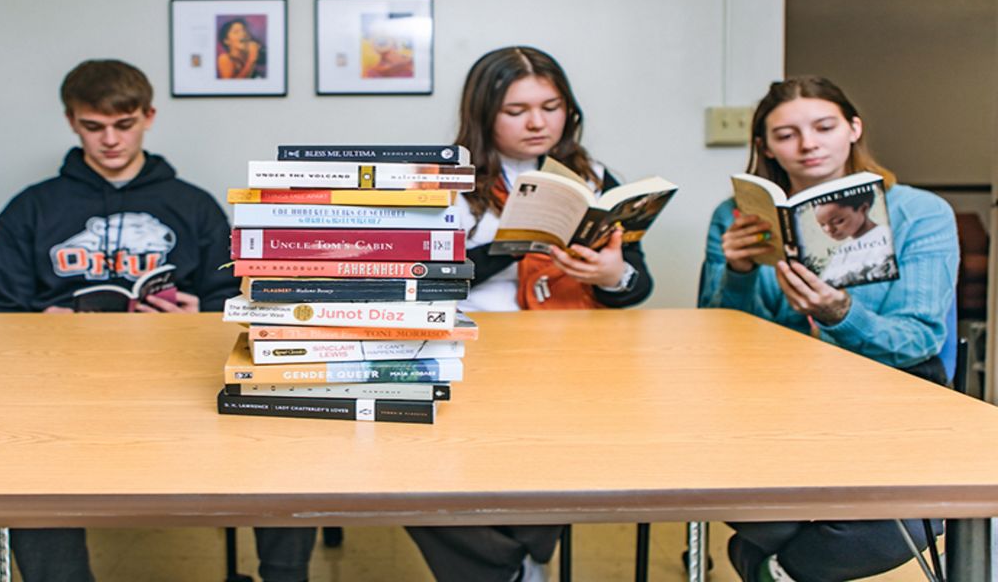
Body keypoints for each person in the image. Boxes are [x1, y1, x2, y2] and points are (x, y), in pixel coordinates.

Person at [0, 59, 312, 582]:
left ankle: (285, 575)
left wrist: (198, 309)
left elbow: (236, 302)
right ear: (71, 122)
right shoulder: (31, 209)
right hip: (62, 383)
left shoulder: (193, 206)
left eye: (123, 124)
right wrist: (44, 319)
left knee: (284, 410)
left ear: (149, 116)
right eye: (93, 127)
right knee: (23, 453)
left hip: (175, 372)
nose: (110, 140)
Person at [407, 46, 654, 582]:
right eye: (516, 111)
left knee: (558, 459)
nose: (539, 123)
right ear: (483, 113)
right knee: (409, 468)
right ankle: (509, 565)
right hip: (466, 354)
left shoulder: (593, 176)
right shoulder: (438, 180)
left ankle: (512, 560)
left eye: (552, 105)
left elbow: (636, 284)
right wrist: (513, 245)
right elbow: (410, 284)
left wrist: (610, 276)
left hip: (571, 358)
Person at [700, 76, 958, 582]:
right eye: (786, 134)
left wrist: (842, 312)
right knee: (751, 498)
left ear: (853, 128)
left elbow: (920, 338)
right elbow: (715, 341)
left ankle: (770, 570)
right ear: (766, 147)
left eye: (824, 127)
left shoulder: (920, 213)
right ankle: (778, 563)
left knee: (903, 522)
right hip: (771, 405)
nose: (808, 144)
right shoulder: (734, 218)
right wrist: (738, 273)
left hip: (894, 397)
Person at [812, 190, 896, 287]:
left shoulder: (887, 236)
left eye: (838, 221)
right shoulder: (842, 251)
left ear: (864, 209)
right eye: (822, 225)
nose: (829, 229)